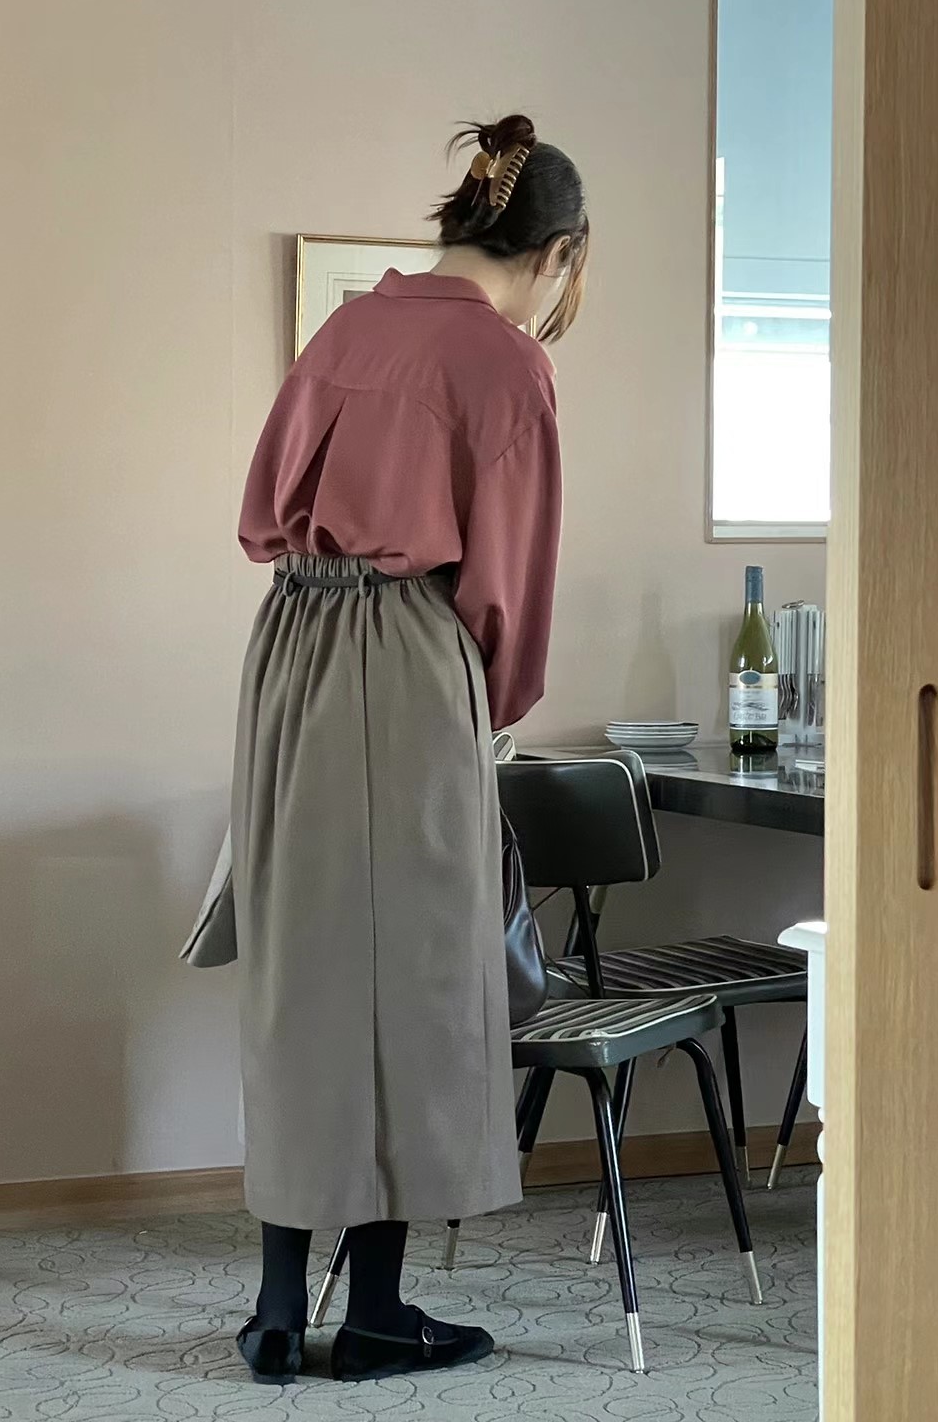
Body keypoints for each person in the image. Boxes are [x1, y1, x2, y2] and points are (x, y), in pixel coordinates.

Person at [184, 113, 587, 1384]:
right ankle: (373, 1314)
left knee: (302, 974)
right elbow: (507, 590)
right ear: (558, 253)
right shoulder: (506, 363)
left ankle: (273, 1309)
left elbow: (261, 508)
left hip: (289, 653)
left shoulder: (350, 326)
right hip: (406, 657)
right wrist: (490, 707)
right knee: (412, 986)